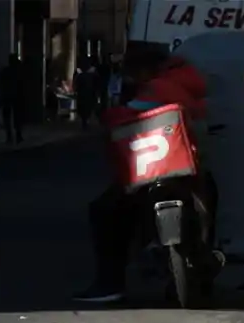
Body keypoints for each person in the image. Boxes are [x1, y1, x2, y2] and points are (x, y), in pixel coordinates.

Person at [73, 49, 212, 303]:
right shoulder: (188, 84)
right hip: (190, 169)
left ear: (144, 70)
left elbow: (127, 117)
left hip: (156, 169)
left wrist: (108, 117)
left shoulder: (156, 88)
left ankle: (109, 283)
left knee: (105, 210)